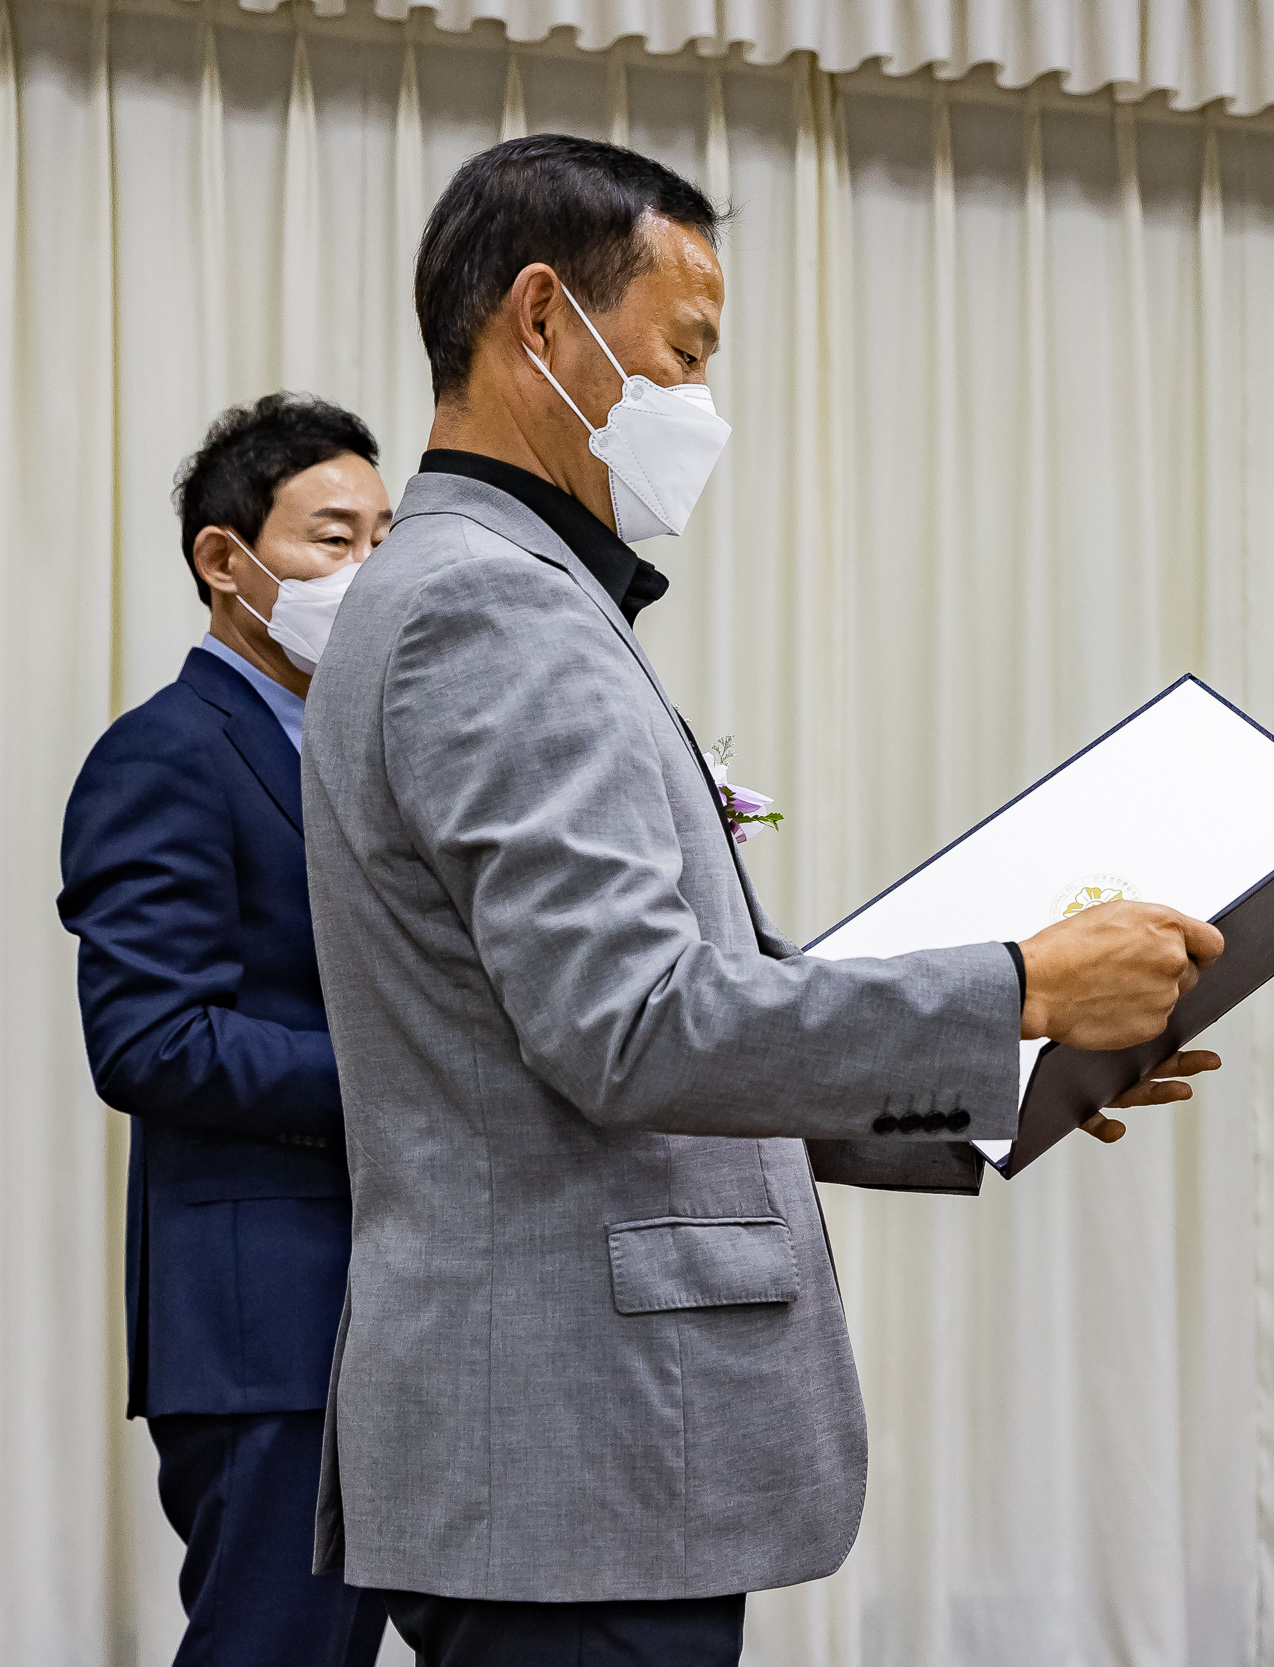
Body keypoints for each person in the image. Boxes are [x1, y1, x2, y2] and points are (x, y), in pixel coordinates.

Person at [299, 135, 1222, 1666]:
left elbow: (648, 1017)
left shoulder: (489, 590)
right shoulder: (488, 605)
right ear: (542, 320)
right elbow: (635, 1026)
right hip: (575, 1453)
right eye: (684, 349)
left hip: (564, 1462)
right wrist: (1024, 983)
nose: (701, 405)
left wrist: (1009, 1068)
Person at [58, 394, 395, 1667]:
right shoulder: (164, 754)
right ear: (224, 559)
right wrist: (401, 1079)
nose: (368, 571)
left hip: (396, 1311)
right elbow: (150, 1040)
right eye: (330, 539)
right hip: (266, 1333)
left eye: (385, 539)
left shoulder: (371, 757)